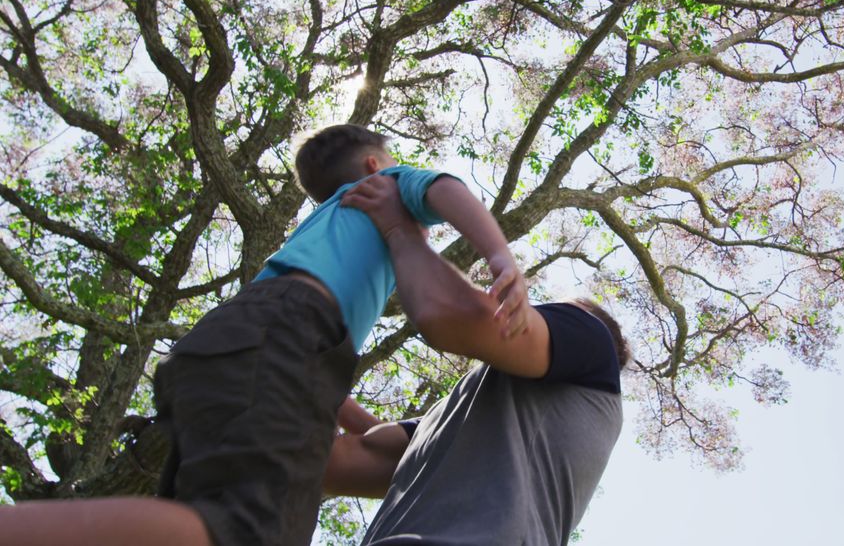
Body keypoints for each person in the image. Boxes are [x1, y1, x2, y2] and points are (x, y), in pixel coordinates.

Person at [0, 124, 528, 546]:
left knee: (203, 523)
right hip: (281, 328)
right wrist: (500, 256)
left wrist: (391, 441)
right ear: (374, 166)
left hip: (227, 345)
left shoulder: (318, 234)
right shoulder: (379, 188)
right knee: (247, 530)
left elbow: (308, 386)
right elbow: (445, 187)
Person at [322, 174, 629, 545]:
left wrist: (397, 229)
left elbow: (448, 316)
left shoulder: (591, 340)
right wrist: (311, 371)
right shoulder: (461, 415)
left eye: (552, 313)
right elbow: (347, 459)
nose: (534, 312)